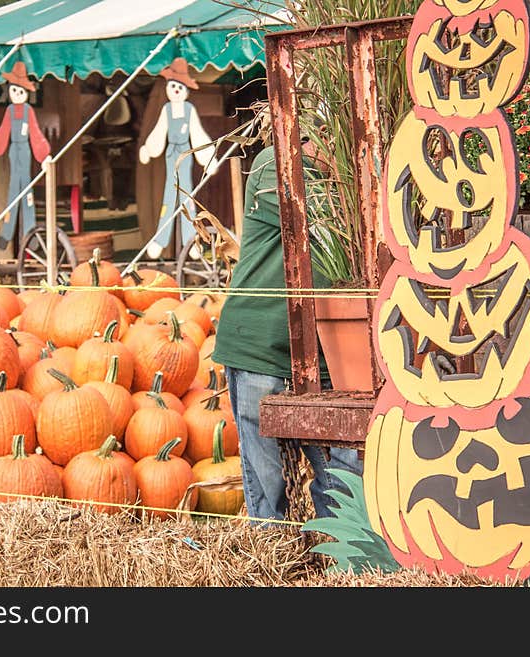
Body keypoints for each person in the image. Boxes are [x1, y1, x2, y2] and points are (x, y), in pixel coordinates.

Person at [212, 127, 363, 524]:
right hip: (259, 345)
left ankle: (340, 565)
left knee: (344, 478)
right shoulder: (271, 165)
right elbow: (327, 212)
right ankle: (274, 567)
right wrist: (348, 166)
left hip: (327, 352)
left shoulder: (343, 175)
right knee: (268, 492)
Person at [138, 57, 219, 260]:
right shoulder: (166, 110)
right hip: (170, 156)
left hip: (185, 155)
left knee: (187, 199)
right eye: (172, 85)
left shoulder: (189, 110)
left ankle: (191, 240)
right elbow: (159, 131)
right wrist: (149, 149)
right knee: (168, 197)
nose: (175, 90)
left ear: (185, 90)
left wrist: (208, 158)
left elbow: (197, 133)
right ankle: (161, 240)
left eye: (179, 87)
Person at [0, 61, 51, 251]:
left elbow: (36, 133)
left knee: (27, 193)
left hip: (26, 150)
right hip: (14, 151)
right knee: (13, 193)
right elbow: (4, 131)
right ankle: (7, 233)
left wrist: (44, 155)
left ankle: (30, 234)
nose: (17, 94)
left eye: (21, 91)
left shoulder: (29, 111)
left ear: (26, 93)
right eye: (14, 90)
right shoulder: (10, 111)